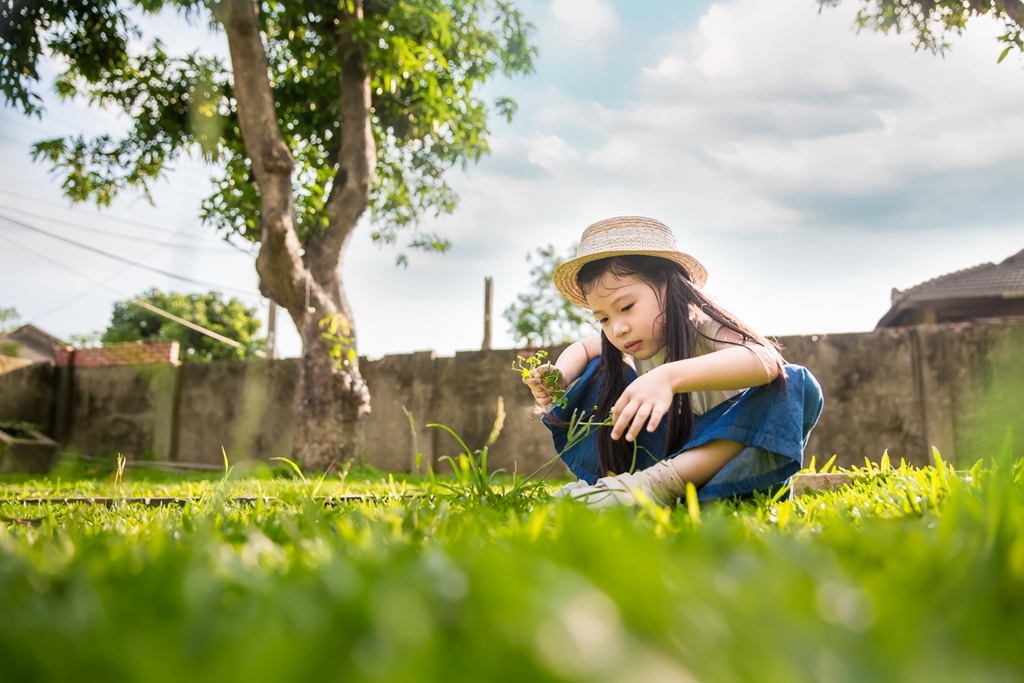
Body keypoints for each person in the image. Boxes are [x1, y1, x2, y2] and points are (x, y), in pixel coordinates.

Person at [522, 216, 824, 509]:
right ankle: (612, 486)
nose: (618, 328)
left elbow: (766, 360)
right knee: (599, 369)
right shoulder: (621, 342)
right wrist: (559, 376)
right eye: (603, 318)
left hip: (731, 476)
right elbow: (583, 349)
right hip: (656, 464)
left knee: (797, 382)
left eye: (626, 307)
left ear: (667, 286)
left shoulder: (703, 327)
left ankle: (650, 488)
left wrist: (668, 377)